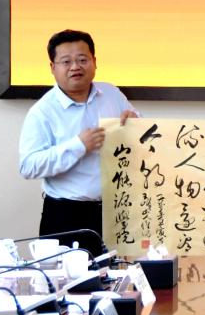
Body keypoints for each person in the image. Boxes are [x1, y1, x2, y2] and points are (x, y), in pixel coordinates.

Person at [19, 29, 138, 238]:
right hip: (66, 215)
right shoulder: (42, 112)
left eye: (82, 60)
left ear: (94, 62)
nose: (75, 67)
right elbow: (29, 166)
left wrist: (136, 122)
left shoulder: (111, 94)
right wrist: (78, 146)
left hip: (117, 210)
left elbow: (138, 128)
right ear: (52, 67)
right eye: (66, 61)